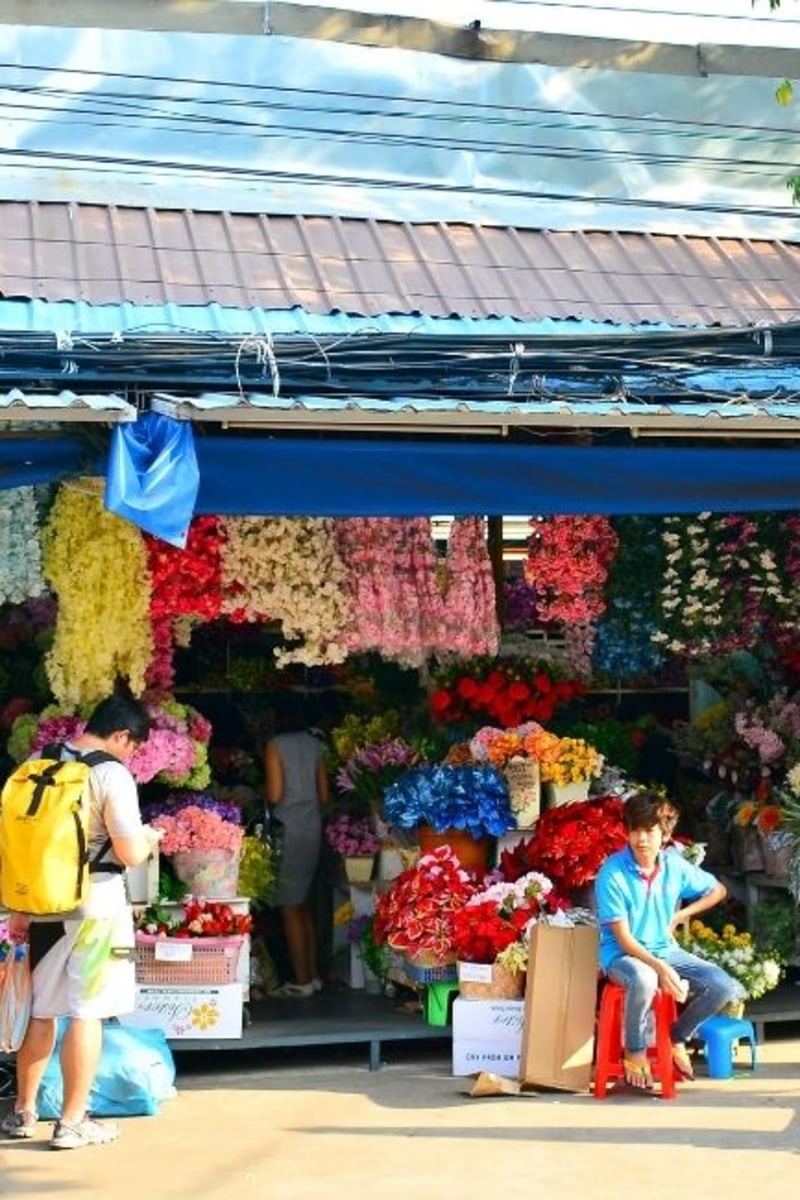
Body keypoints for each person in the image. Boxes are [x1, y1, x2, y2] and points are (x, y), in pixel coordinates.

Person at [1, 693, 163, 1150]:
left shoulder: (38, 761)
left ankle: (22, 1112)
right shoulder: (111, 773)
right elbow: (130, 854)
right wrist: (149, 837)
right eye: (133, 746)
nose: (132, 755)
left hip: (42, 904)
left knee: (42, 1009)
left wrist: (18, 906)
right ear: (120, 735)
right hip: (98, 906)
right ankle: (72, 1122)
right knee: (89, 1011)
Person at [594, 789, 745, 1090]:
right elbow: (623, 940)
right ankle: (634, 1050)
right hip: (622, 957)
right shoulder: (612, 873)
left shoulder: (674, 865)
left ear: (664, 834)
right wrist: (662, 969)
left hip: (665, 950)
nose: (641, 839)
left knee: (722, 985)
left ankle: (676, 1037)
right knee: (646, 978)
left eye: (649, 831)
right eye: (635, 830)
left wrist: (679, 916)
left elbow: (717, 890)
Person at [264, 693, 330, 998]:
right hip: (312, 827)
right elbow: (325, 797)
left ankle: (301, 980)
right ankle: (313, 974)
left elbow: (276, 794)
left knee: (289, 904)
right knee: (303, 904)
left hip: (288, 829)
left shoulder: (275, 745)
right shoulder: (316, 745)